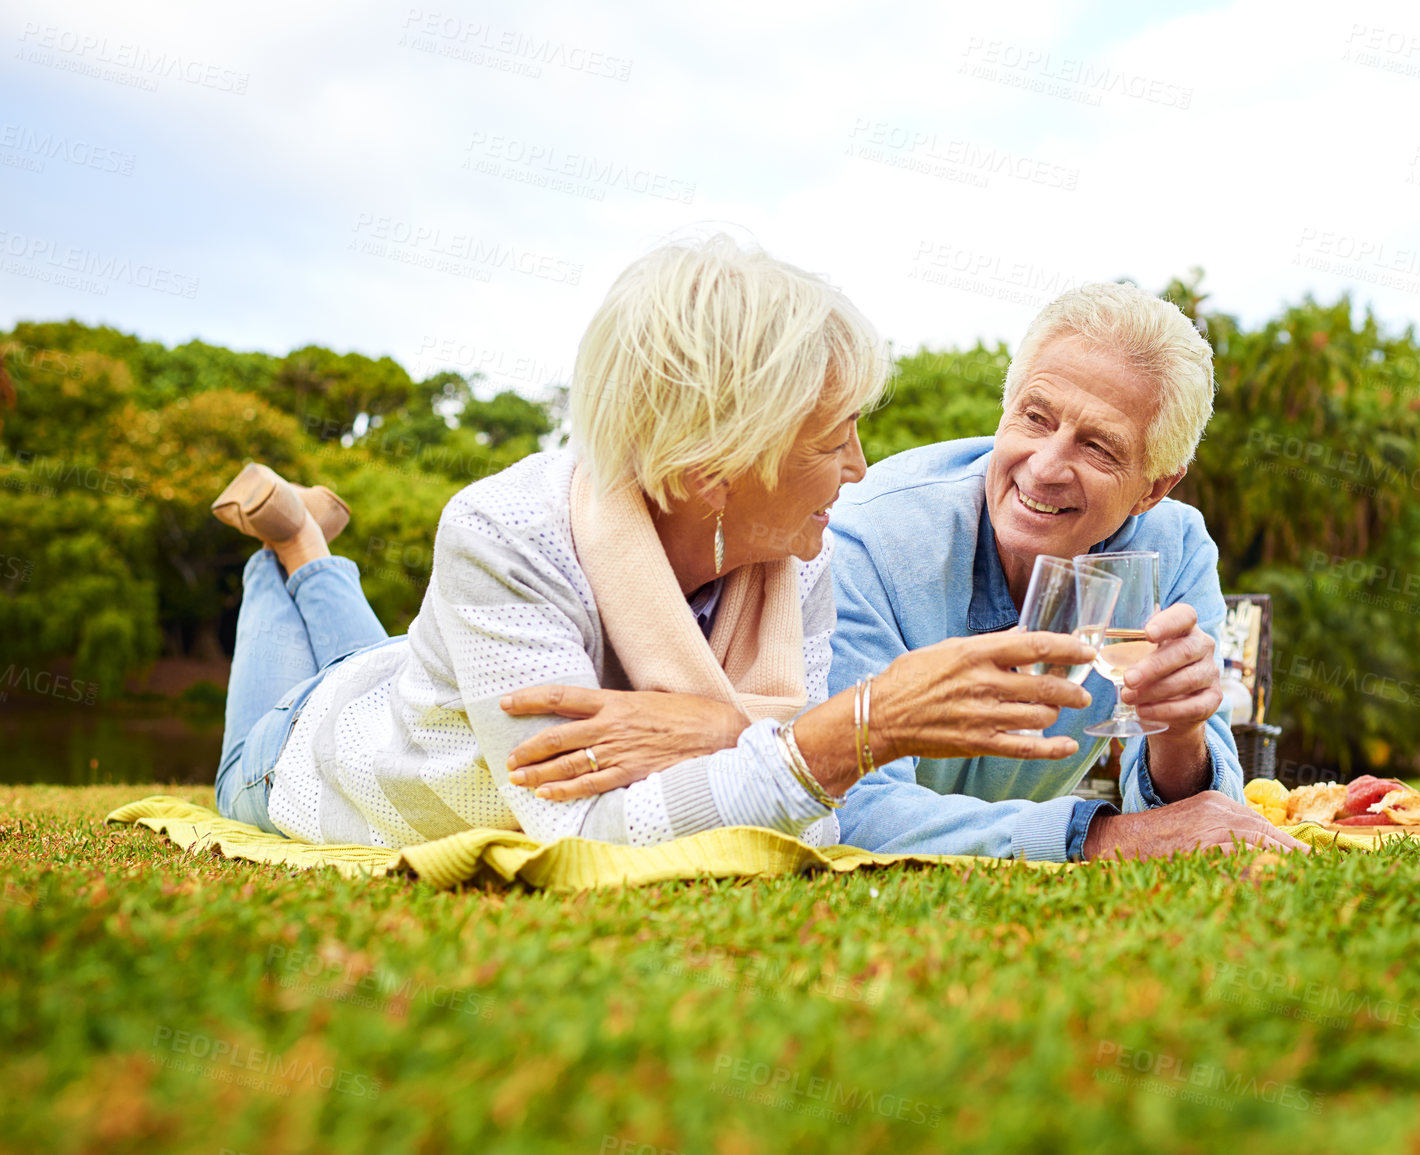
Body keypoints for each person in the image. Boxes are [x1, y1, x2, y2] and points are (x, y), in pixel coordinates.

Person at [210, 237, 1096, 849]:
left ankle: (308, 546)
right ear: (718, 461)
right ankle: (288, 542)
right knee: (306, 694)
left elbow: (813, 822)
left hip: (422, 678)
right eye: (832, 442)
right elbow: (588, 833)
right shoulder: (499, 531)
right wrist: (850, 731)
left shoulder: (800, 556)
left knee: (383, 659)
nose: (859, 469)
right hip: (306, 757)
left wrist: (722, 728)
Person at [821, 281, 1307, 862]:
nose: (1046, 466)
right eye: (1035, 418)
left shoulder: (1172, 548)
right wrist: (1095, 836)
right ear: (1005, 410)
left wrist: (1180, 732)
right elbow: (842, 806)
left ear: (1153, 487)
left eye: (1098, 446)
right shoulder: (872, 532)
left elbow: (1202, 821)